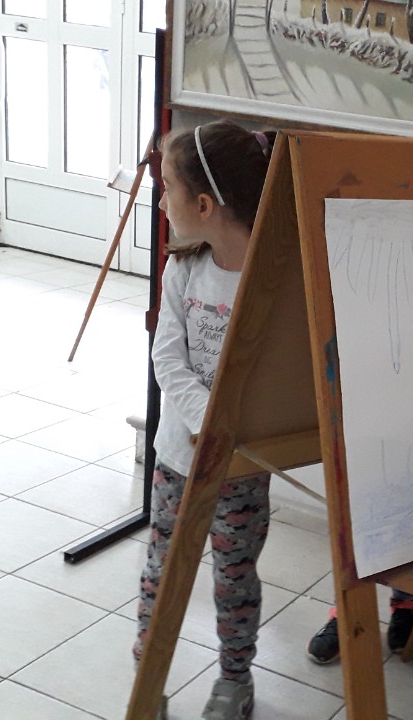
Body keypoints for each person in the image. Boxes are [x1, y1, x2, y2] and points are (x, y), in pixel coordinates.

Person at [133, 119, 276, 720]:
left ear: (203, 205)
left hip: (241, 471)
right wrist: (209, 423)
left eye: (166, 187)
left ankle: (234, 681)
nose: (160, 201)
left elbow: (280, 378)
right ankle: (148, 680)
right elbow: (167, 357)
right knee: (160, 574)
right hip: (179, 458)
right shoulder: (184, 267)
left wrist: (232, 434)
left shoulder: (274, 278)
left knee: (234, 577)